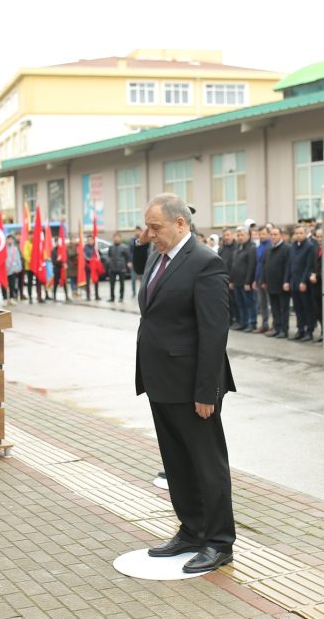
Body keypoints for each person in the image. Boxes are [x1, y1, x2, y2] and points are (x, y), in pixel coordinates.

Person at [131, 193, 235, 574]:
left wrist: (206, 392)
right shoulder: (157, 257)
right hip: (161, 381)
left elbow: (213, 332)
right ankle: (191, 530)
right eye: (148, 226)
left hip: (193, 387)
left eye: (155, 227)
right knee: (176, 463)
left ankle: (220, 541)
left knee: (207, 465)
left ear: (180, 223)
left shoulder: (206, 262)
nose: (149, 234)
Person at [261, 226, 290, 338]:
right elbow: (265, 265)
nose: (273, 236)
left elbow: (288, 266)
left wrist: (286, 281)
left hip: (282, 284)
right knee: (274, 308)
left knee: (283, 308)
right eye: (271, 234)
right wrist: (263, 280)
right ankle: (276, 328)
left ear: (280, 235)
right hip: (271, 283)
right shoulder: (268, 248)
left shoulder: (286, 248)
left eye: (275, 234)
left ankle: (284, 329)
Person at [229, 228, 257, 331]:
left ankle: (252, 323)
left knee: (249, 303)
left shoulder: (251, 248)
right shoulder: (237, 249)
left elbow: (251, 266)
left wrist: (248, 282)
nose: (240, 237)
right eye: (238, 235)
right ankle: (243, 322)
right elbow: (234, 266)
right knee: (240, 304)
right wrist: (231, 280)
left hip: (246, 282)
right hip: (236, 282)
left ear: (248, 236)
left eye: (242, 235)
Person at [253, 227, 272, 333]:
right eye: (260, 234)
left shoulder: (269, 246)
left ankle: (273, 325)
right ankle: (264, 324)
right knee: (262, 303)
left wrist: (264, 280)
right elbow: (258, 264)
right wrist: (255, 279)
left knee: (270, 303)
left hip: (267, 279)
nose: (261, 236)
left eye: (264, 234)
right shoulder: (260, 246)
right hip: (259, 277)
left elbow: (266, 264)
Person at [108, 232, 131, 302]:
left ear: (120, 238)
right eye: (115, 237)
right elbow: (109, 255)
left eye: (118, 237)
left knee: (122, 283)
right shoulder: (111, 247)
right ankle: (112, 297)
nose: (116, 239)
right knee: (112, 283)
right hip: (112, 268)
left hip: (121, 268)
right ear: (113, 238)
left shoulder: (124, 247)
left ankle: (121, 297)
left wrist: (128, 263)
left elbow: (128, 257)